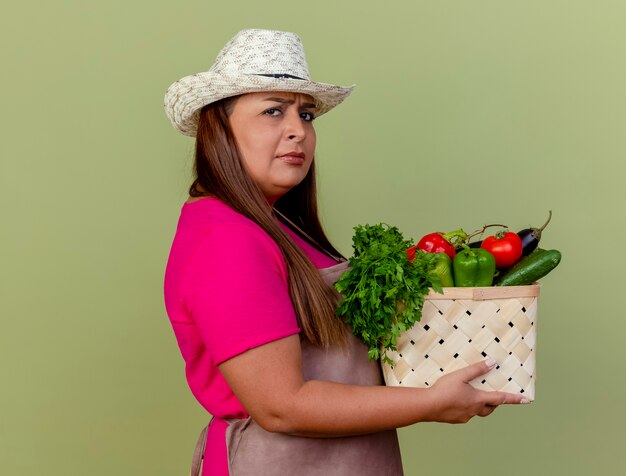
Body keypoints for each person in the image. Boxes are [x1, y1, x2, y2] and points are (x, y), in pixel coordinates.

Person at [163, 29, 527, 476]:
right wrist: (431, 402)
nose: (298, 130)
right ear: (218, 129)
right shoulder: (226, 238)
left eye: (306, 114)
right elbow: (282, 407)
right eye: (273, 111)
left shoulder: (278, 226)